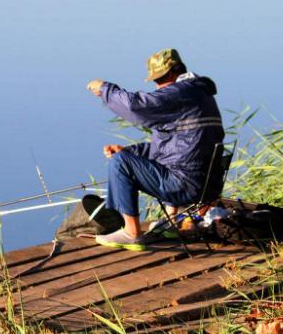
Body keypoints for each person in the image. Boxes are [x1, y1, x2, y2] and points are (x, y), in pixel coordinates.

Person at [86, 49, 224, 251]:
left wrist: (106, 90)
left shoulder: (180, 92)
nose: (158, 86)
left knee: (120, 162)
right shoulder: (200, 94)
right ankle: (172, 221)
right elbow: (177, 146)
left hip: (185, 185)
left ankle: (132, 233)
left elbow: (136, 107)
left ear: (172, 73)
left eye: (159, 80)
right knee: (126, 157)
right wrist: (130, 151)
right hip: (206, 185)